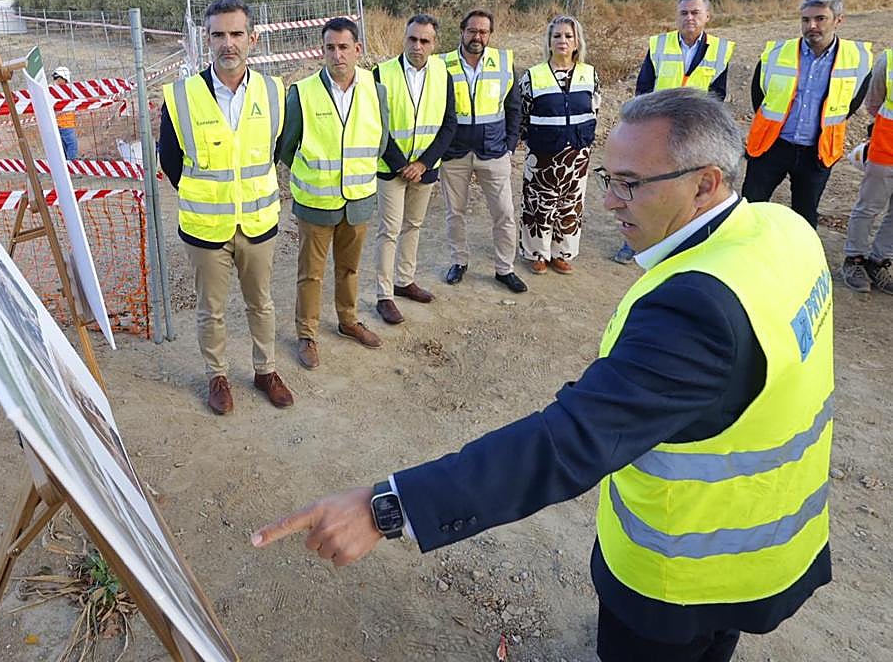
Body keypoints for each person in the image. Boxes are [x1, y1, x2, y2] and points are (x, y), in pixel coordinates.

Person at [254, 89, 835, 662]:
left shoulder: (698, 308)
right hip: (768, 546)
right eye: (609, 178)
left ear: (705, 183)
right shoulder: (783, 232)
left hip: (680, 577)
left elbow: (566, 443)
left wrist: (386, 506)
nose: (608, 202)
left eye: (630, 183)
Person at [157, 0, 292, 415]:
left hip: (257, 222)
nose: (228, 44)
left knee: (262, 303)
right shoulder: (181, 96)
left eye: (236, 34)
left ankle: (265, 371)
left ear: (252, 38)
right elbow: (171, 161)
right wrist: (209, 197)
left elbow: (277, 148)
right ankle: (217, 375)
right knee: (210, 310)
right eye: (219, 35)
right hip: (205, 229)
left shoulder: (273, 92)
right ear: (206, 39)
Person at [278, 17, 392, 370]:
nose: (337, 55)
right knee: (310, 274)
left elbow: (382, 140)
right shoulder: (302, 92)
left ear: (358, 50)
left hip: (358, 200)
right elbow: (286, 147)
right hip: (316, 204)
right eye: (330, 47)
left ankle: (348, 320)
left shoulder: (376, 90)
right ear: (322, 50)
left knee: (350, 269)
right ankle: (307, 334)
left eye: (344, 47)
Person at [614, 0, 735, 263]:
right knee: (644, 189)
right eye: (684, 13)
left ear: (707, 17)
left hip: (693, 136)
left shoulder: (720, 51)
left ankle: (680, 241)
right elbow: (643, 90)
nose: (689, 18)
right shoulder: (659, 45)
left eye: (695, 13)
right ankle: (635, 244)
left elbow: (717, 97)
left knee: (686, 190)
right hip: (657, 134)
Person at [742, 0, 873, 229]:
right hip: (772, 146)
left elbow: (851, 104)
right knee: (750, 208)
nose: (811, 25)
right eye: (805, 20)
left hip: (817, 151)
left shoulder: (857, 60)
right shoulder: (775, 53)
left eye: (820, 18)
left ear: (838, 20)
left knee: (805, 216)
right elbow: (759, 96)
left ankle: (799, 263)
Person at [371, 14, 457, 325]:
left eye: (424, 41)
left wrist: (423, 163)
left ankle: (405, 281)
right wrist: (401, 165)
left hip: (425, 168)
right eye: (412, 39)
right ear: (404, 39)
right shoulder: (381, 73)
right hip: (391, 169)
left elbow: (449, 124)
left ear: (434, 44)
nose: (417, 46)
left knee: (413, 226)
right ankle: (384, 296)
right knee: (389, 230)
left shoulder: (443, 74)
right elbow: (377, 125)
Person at [439, 9, 527, 293]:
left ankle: (505, 269)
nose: (477, 37)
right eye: (472, 31)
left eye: (483, 32)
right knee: (455, 212)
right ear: (461, 31)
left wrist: (510, 146)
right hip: (455, 152)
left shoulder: (503, 61)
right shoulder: (442, 64)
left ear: (490, 34)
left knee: (504, 213)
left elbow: (515, 107)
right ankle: (459, 261)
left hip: (494, 150)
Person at [518, 15, 600, 275]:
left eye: (568, 36)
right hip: (543, 154)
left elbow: (595, 109)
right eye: (557, 36)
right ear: (549, 42)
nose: (562, 40)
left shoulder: (590, 74)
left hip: (577, 152)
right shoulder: (533, 76)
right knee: (539, 204)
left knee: (571, 204)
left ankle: (562, 253)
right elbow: (522, 114)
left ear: (577, 42)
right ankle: (537, 253)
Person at [841, 46, 893, 294]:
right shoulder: (889, 59)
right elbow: (873, 103)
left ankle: (878, 261)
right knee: (869, 206)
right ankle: (854, 259)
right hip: (886, 148)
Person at [51, 66, 80, 160]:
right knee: (72, 146)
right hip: (65, 123)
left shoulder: (60, 91)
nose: (56, 81)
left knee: (64, 147)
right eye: (55, 78)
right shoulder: (61, 91)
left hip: (63, 123)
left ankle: (66, 167)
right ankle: (71, 167)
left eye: (57, 78)